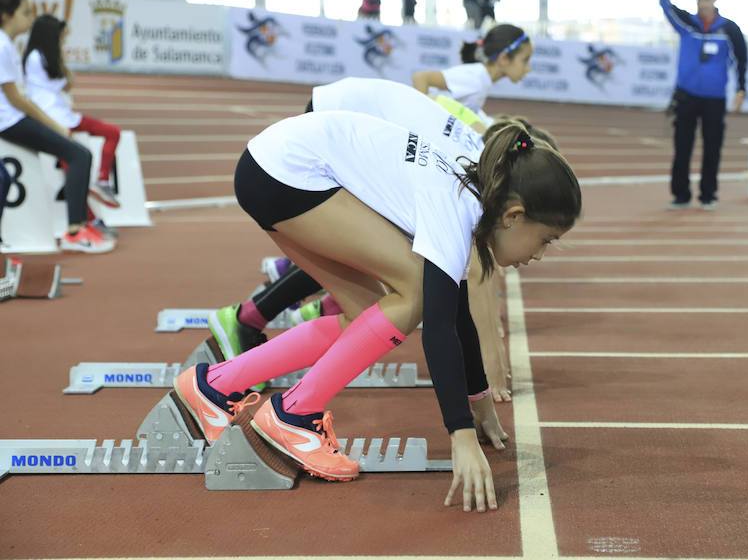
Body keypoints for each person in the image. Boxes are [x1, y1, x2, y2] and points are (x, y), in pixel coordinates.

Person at [172, 109, 581, 512]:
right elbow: (438, 330)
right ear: (513, 216)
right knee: (415, 292)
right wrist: (461, 434)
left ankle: (214, 386)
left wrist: (480, 403)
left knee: (365, 316)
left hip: (273, 167)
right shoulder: (455, 209)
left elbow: (459, 318)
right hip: (286, 172)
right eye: (545, 240)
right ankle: (292, 415)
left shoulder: (463, 196)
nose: (539, 256)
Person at [208, 79, 559, 403]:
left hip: (300, 149)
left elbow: (461, 284)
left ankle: (224, 382)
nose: (540, 254)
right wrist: (487, 375)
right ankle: (288, 402)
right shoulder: (462, 188)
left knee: (370, 303)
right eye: (544, 238)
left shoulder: (478, 168)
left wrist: (478, 390)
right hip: (302, 150)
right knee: (412, 285)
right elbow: (463, 296)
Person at [0, 0, 113, 253]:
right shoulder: (3, 45)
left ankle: (82, 224)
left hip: (13, 117)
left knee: (77, 154)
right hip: (9, 121)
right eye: (26, 12)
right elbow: (17, 99)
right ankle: (76, 229)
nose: (30, 19)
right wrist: (56, 126)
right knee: (79, 155)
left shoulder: (8, 45)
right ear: (6, 15)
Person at [660, 0, 747, 210]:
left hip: (714, 99)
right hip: (686, 96)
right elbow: (665, 5)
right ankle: (681, 195)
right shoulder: (686, 23)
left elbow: (742, 59)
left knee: (712, 148)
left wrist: (741, 89)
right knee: (682, 147)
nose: (703, 4)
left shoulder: (730, 30)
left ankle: (708, 195)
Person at [24, 15, 120, 208]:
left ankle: (102, 180)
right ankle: (84, 221)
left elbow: (65, 85)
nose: (63, 41)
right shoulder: (36, 58)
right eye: (61, 37)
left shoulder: (48, 56)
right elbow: (62, 84)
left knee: (112, 132)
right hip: (51, 119)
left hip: (65, 115)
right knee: (73, 165)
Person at [411, 23, 532, 125]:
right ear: (504, 59)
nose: (528, 69)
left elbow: (467, 113)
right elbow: (421, 77)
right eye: (525, 60)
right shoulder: (474, 78)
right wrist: (420, 123)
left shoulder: (483, 81)